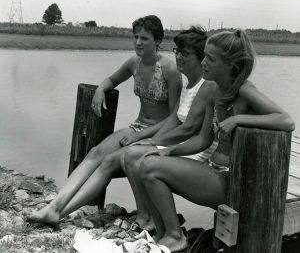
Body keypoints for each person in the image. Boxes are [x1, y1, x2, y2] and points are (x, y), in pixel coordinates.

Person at [137, 29, 295, 252]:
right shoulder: (213, 90)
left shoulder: (244, 90)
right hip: (213, 170)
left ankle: (175, 236)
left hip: (235, 183)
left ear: (231, 65)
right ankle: (164, 235)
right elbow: (202, 140)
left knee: (150, 169)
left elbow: (286, 120)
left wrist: (238, 119)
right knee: (146, 162)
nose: (203, 63)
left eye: (210, 59)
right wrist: (170, 151)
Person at [27, 15, 182, 225]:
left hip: (159, 134)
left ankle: (60, 214)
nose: (138, 42)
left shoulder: (170, 70)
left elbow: (175, 118)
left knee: (109, 161)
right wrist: (101, 88)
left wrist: (141, 136)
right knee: (95, 152)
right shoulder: (134, 63)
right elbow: (112, 79)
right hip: (137, 127)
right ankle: (54, 207)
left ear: (157, 40)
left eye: (144, 38)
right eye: (135, 37)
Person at [121, 26, 216, 233]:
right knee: (132, 154)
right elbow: (174, 119)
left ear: (201, 58)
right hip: (186, 147)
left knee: (140, 157)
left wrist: (154, 143)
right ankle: (152, 221)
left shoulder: (206, 85)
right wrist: (151, 140)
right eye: (177, 51)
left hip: (198, 153)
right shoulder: (189, 83)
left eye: (185, 53)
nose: (179, 57)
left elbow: (189, 128)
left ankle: (167, 229)